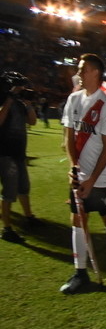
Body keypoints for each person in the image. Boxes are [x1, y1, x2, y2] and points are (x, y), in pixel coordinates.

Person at [59, 54, 106, 293]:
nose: (79, 73)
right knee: (77, 220)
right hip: (79, 175)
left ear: (95, 72)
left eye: (83, 69)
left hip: (101, 179)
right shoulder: (73, 99)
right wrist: (74, 167)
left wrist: (92, 179)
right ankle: (80, 273)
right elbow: (68, 136)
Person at [0, 71, 40, 243]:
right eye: (21, 86)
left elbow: (32, 121)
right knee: (9, 192)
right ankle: (6, 228)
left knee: (24, 187)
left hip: (19, 153)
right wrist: (9, 100)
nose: (24, 88)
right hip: (5, 153)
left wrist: (28, 104)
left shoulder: (21, 103)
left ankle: (29, 216)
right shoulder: (3, 100)